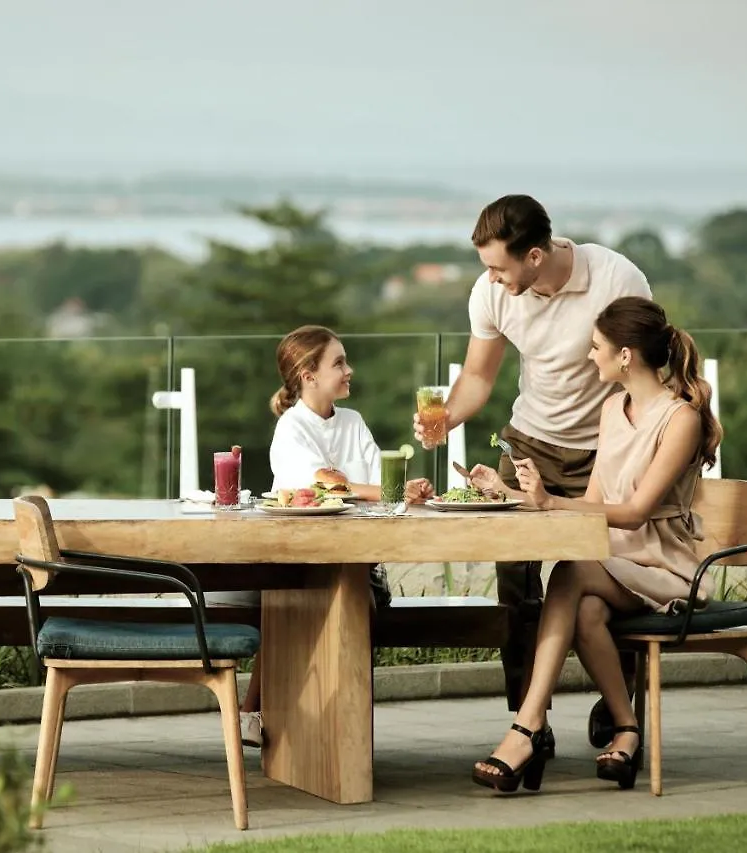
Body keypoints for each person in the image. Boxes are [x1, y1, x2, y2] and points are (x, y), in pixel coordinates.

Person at [413, 194, 653, 746]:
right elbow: (479, 376)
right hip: (528, 447)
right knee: (516, 588)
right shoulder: (492, 293)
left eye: (500, 266)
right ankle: (528, 718)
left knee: (613, 576)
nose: (491, 279)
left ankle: (619, 702)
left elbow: (644, 371)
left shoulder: (616, 278)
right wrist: (446, 418)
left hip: (605, 453)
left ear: (537, 255)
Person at [467, 296, 722, 792]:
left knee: (568, 572)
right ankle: (626, 731)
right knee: (583, 610)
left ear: (626, 355)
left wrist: (547, 502)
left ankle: (527, 726)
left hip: (662, 563)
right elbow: (593, 501)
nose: (590, 356)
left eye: (596, 347)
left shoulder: (680, 419)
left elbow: (633, 513)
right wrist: (514, 494)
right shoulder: (612, 407)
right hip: (615, 560)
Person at [220, 325, 387, 749]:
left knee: (351, 600)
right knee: (300, 596)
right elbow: (323, 487)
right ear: (308, 375)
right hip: (297, 561)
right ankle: (269, 716)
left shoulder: (353, 422)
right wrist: (381, 490)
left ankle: (323, 734)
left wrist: (390, 490)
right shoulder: (292, 428)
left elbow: (373, 485)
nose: (349, 370)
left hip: (355, 563)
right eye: (339, 363)